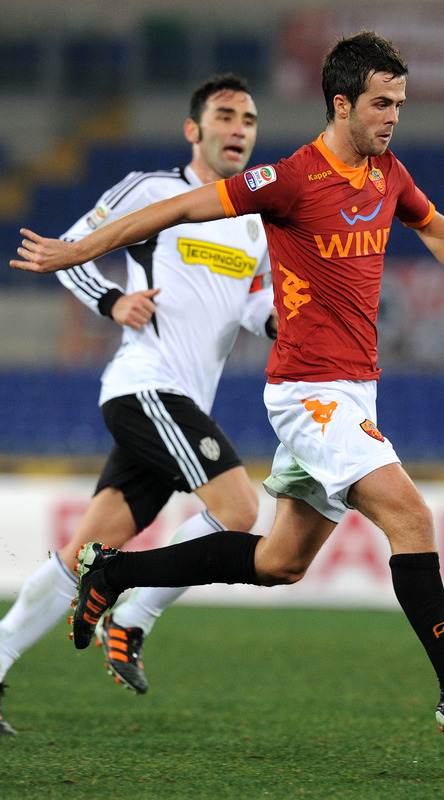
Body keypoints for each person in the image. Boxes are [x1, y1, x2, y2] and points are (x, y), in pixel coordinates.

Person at [11, 31, 444, 754]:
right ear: (341, 104)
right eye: (381, 103)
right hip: (309, 394)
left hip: (356, 393)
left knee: (280, 562)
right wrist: (84, 250)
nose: (393, 116)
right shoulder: (288, 180)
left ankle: (115, 571)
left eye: (400, 103)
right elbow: (181, 210)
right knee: (411, 517)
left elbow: (431, 224)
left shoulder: (389, 173)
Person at [0, 73, 276, 735]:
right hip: (146, 387)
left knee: (84, 550)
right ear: (194, 129)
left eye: (249, 119)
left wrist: (285, 322)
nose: (239, 129)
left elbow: (257, 306)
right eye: (226, 116)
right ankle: (132, 614)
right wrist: (112, 300)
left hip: (176, 401)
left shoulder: (254, 223)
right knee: (238, 509)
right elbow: (70, 251)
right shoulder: (152, 191)